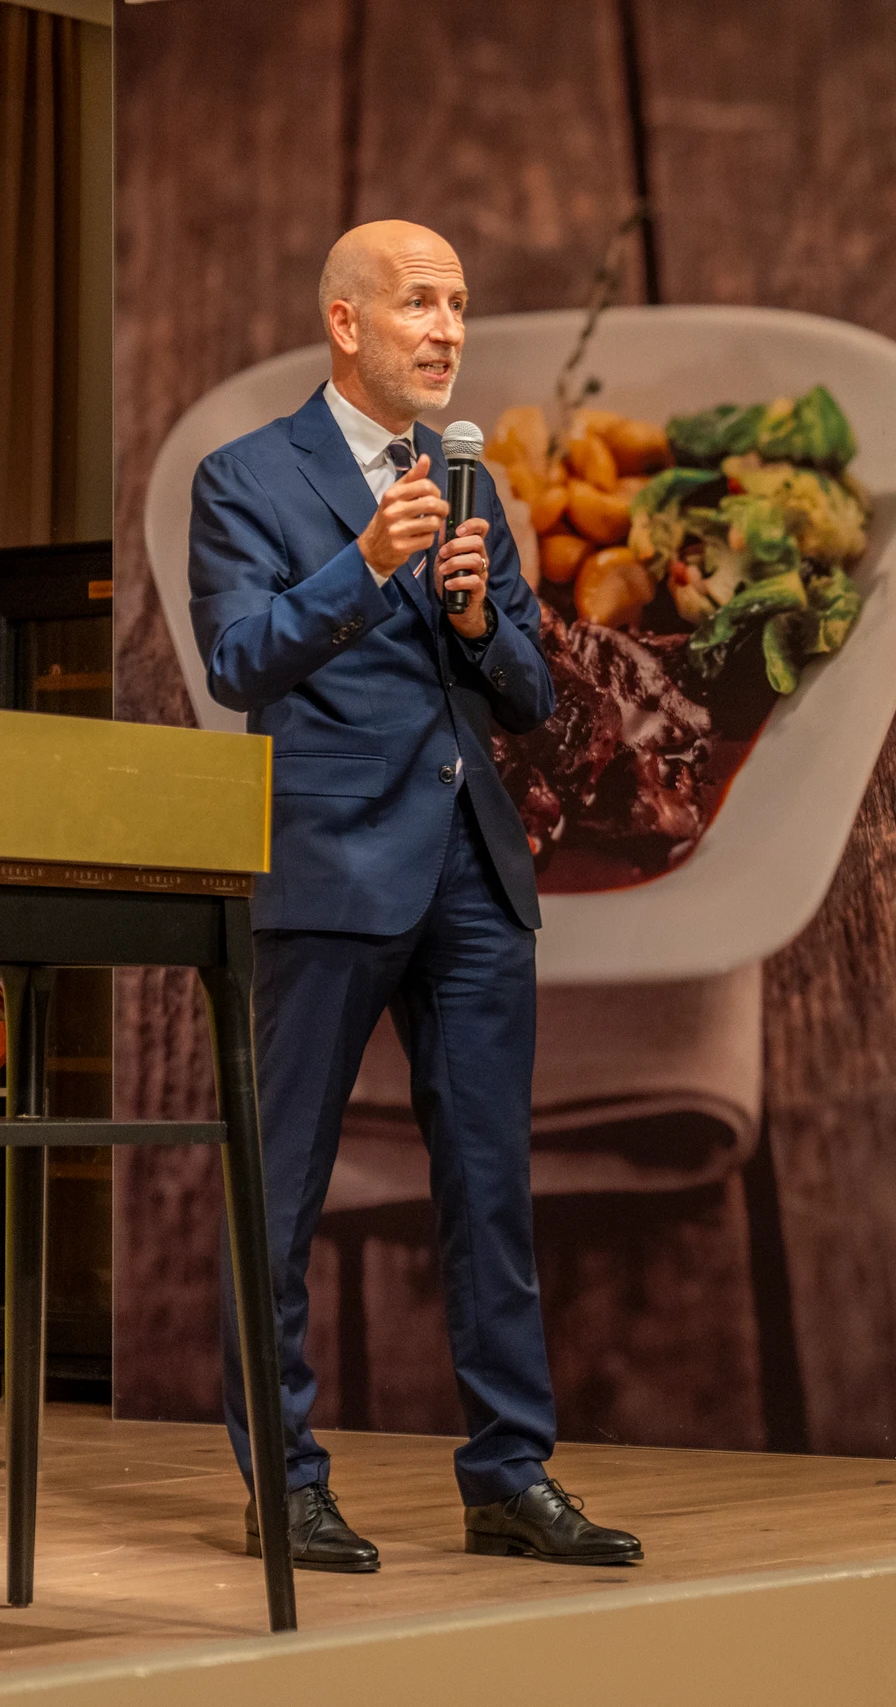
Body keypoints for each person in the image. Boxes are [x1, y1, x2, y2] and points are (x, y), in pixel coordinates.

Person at [185, 221, 642, 1572]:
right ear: (346, 322)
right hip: (328, 865)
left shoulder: (470, 478)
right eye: (421, 304)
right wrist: (368, 563)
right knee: (281, 1194)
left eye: (459, 306)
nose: (448, 331)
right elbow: (235, 659)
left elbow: (531, 690)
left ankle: (509, 1473)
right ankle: (285, 1481)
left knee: (492, 1191)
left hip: (472, 870)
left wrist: (478, 621)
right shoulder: (244, 475)